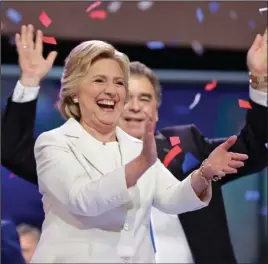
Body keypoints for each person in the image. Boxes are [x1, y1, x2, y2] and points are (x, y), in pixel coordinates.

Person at [1, 24, 267, 263]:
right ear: (74, 92)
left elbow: (174, 198)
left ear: (157, 109)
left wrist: (203, 173)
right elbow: (82, 199)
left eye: (119, 83)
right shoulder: (55, 144)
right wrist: (140, 164)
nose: (114, 92)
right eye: (99, 81)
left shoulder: (172, 147)